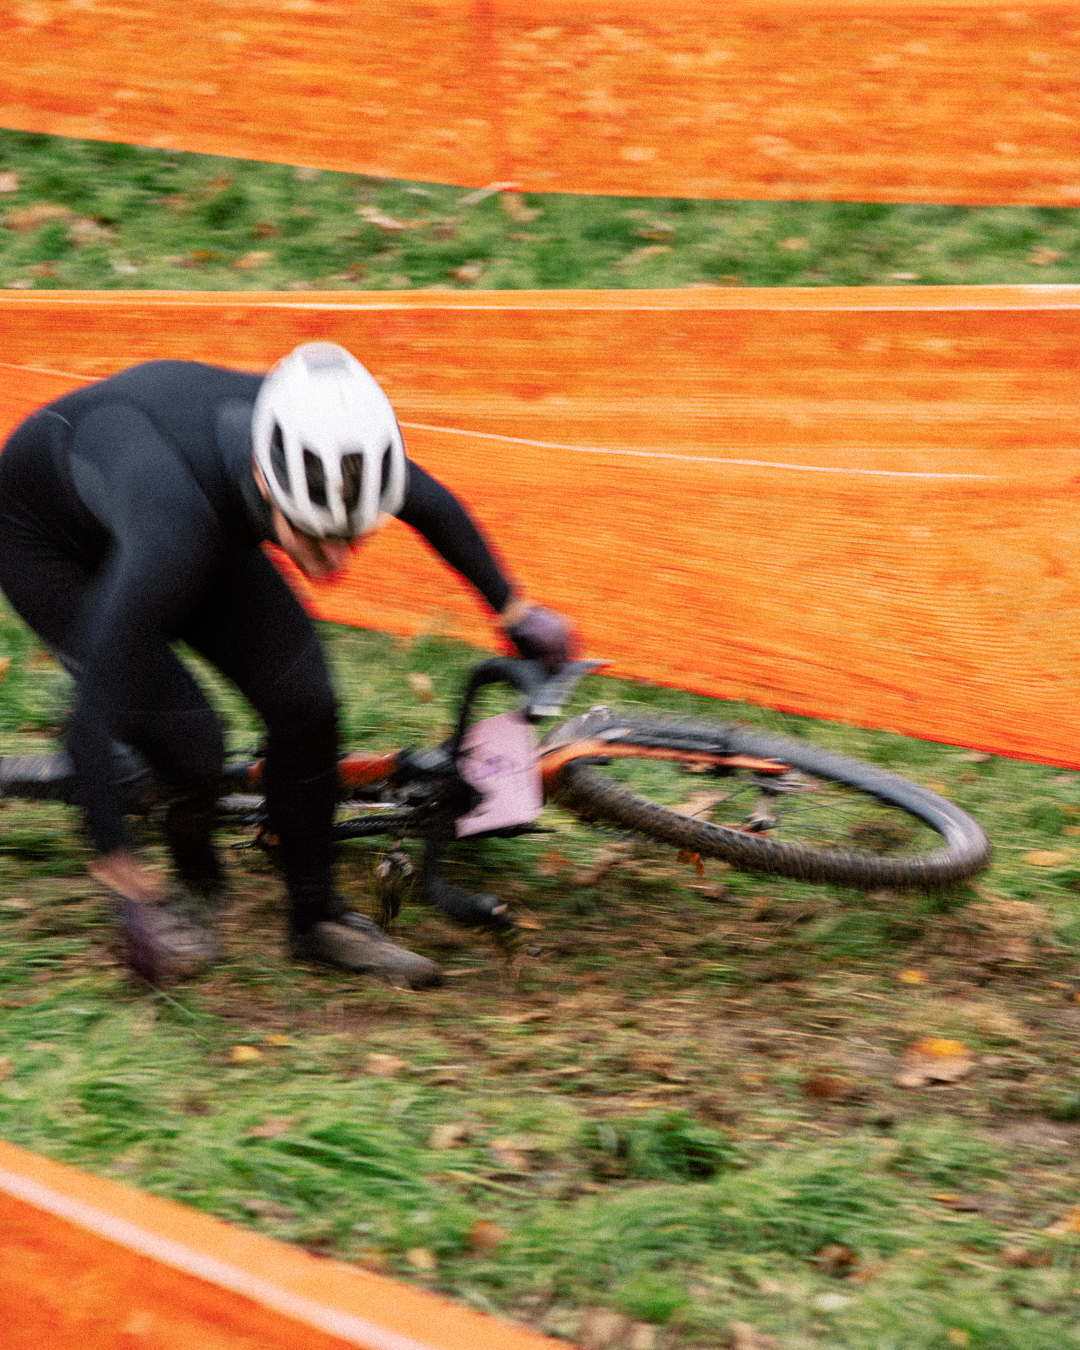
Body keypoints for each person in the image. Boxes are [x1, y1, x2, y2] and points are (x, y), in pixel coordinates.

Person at [0, 342, 576, 989]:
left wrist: (516, 610)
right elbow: (88, 721)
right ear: (266, 479)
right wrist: (128, 891)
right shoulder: (177, 527)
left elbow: (433, 504)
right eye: (315, 535)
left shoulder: (341, 450)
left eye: (351, 536)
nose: (338, 561)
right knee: (191, 744)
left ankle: (316, 920)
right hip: (50, 540)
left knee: (307, 706)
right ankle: (187, 848)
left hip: (182, 503)